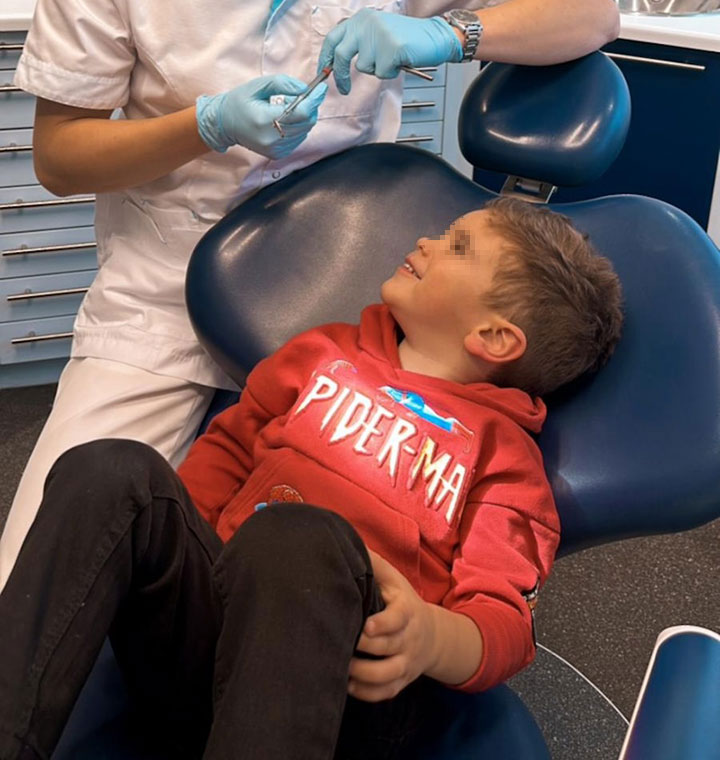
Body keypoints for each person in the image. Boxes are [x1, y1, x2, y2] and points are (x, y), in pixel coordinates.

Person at [0, 0, 619, 587]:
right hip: (162, 306)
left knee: (349, 580)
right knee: (37, 573)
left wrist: (447, 34)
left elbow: (585, 7)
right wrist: (201, 125)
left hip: (351, 307)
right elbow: (62, 157)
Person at [0, 197, 623, 760]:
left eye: (457, 245)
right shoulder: (323, 353)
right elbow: (226, 454)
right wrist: (167, 549)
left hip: (340, 696)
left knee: (297, 538)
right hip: (204, 640)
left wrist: (430, 637)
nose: (429, 240)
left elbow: (505, 623)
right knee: (111, 467)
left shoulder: (503, 460)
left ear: (493, 336)